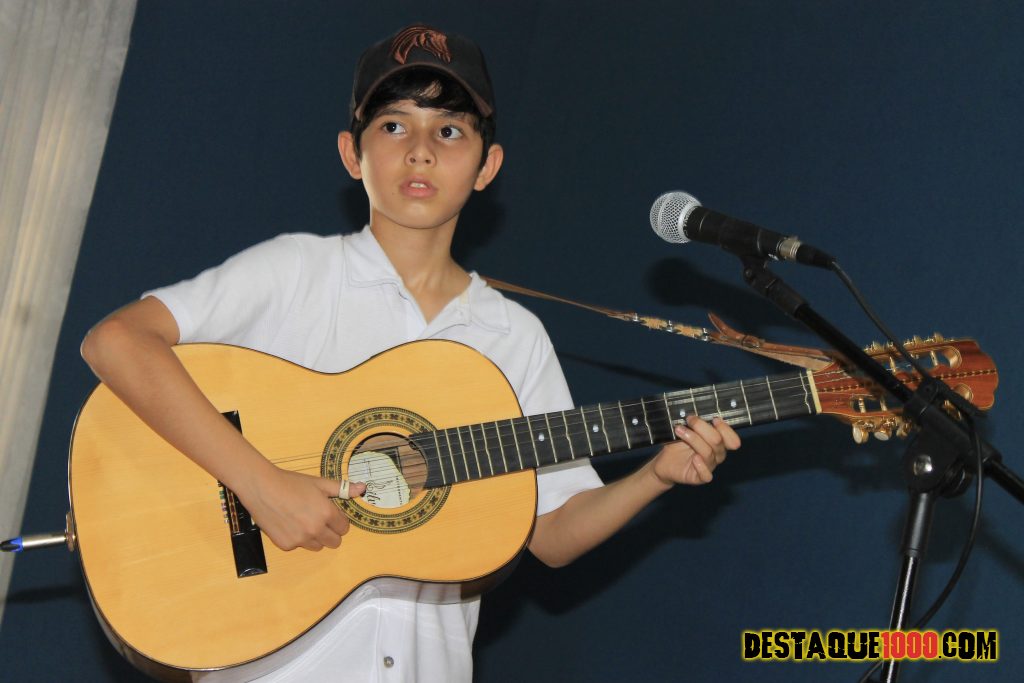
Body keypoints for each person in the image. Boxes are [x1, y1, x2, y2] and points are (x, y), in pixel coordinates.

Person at [81, 24, 740, 682]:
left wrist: (655, 475)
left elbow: (551, 531)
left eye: (449, 131)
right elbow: (117, 341)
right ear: (352, 153)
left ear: (487, 166)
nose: (420, 151)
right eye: (394, 126)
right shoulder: (298, 272)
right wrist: (260, 484)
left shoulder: (513, 336)